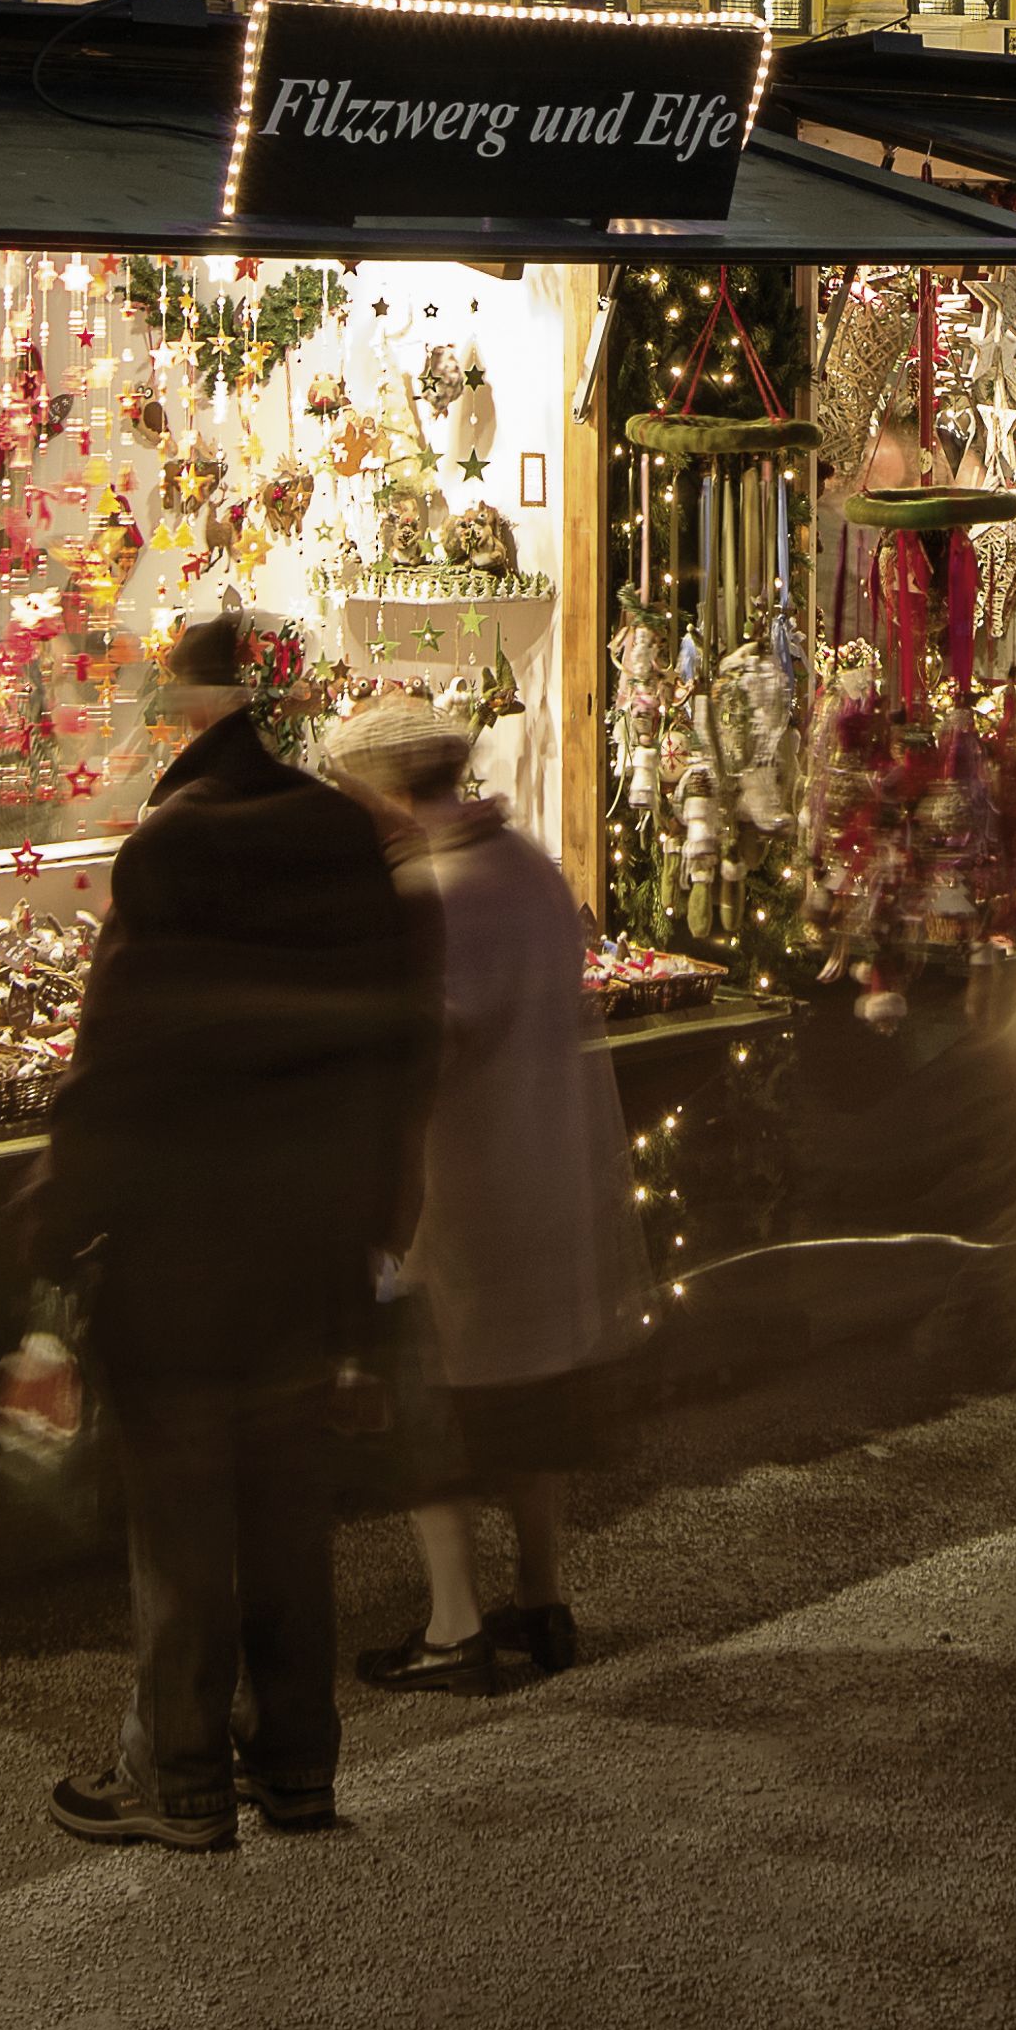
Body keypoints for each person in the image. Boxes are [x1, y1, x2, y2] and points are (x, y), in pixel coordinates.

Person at [23, 615, 431, 1849]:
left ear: (196, 716)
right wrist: (376, 1220)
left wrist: (58, 1226)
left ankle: (185, 1778)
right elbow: (393, 1045)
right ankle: (298, 1765)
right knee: (287, 1514)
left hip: (181, 1248)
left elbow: (117, 1062)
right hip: (309, 1240)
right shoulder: (337, 838)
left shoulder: (172, 850)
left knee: (185, 1516)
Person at [336, 703, 636, 1694]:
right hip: (549, 1173)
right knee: (532, 1409)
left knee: (441, 1415)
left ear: (383, 795)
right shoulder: (528, 868)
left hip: (463, 1196)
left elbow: (432, 1047)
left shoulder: (436, 891)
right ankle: (543, 1602)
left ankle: (455, 1627)